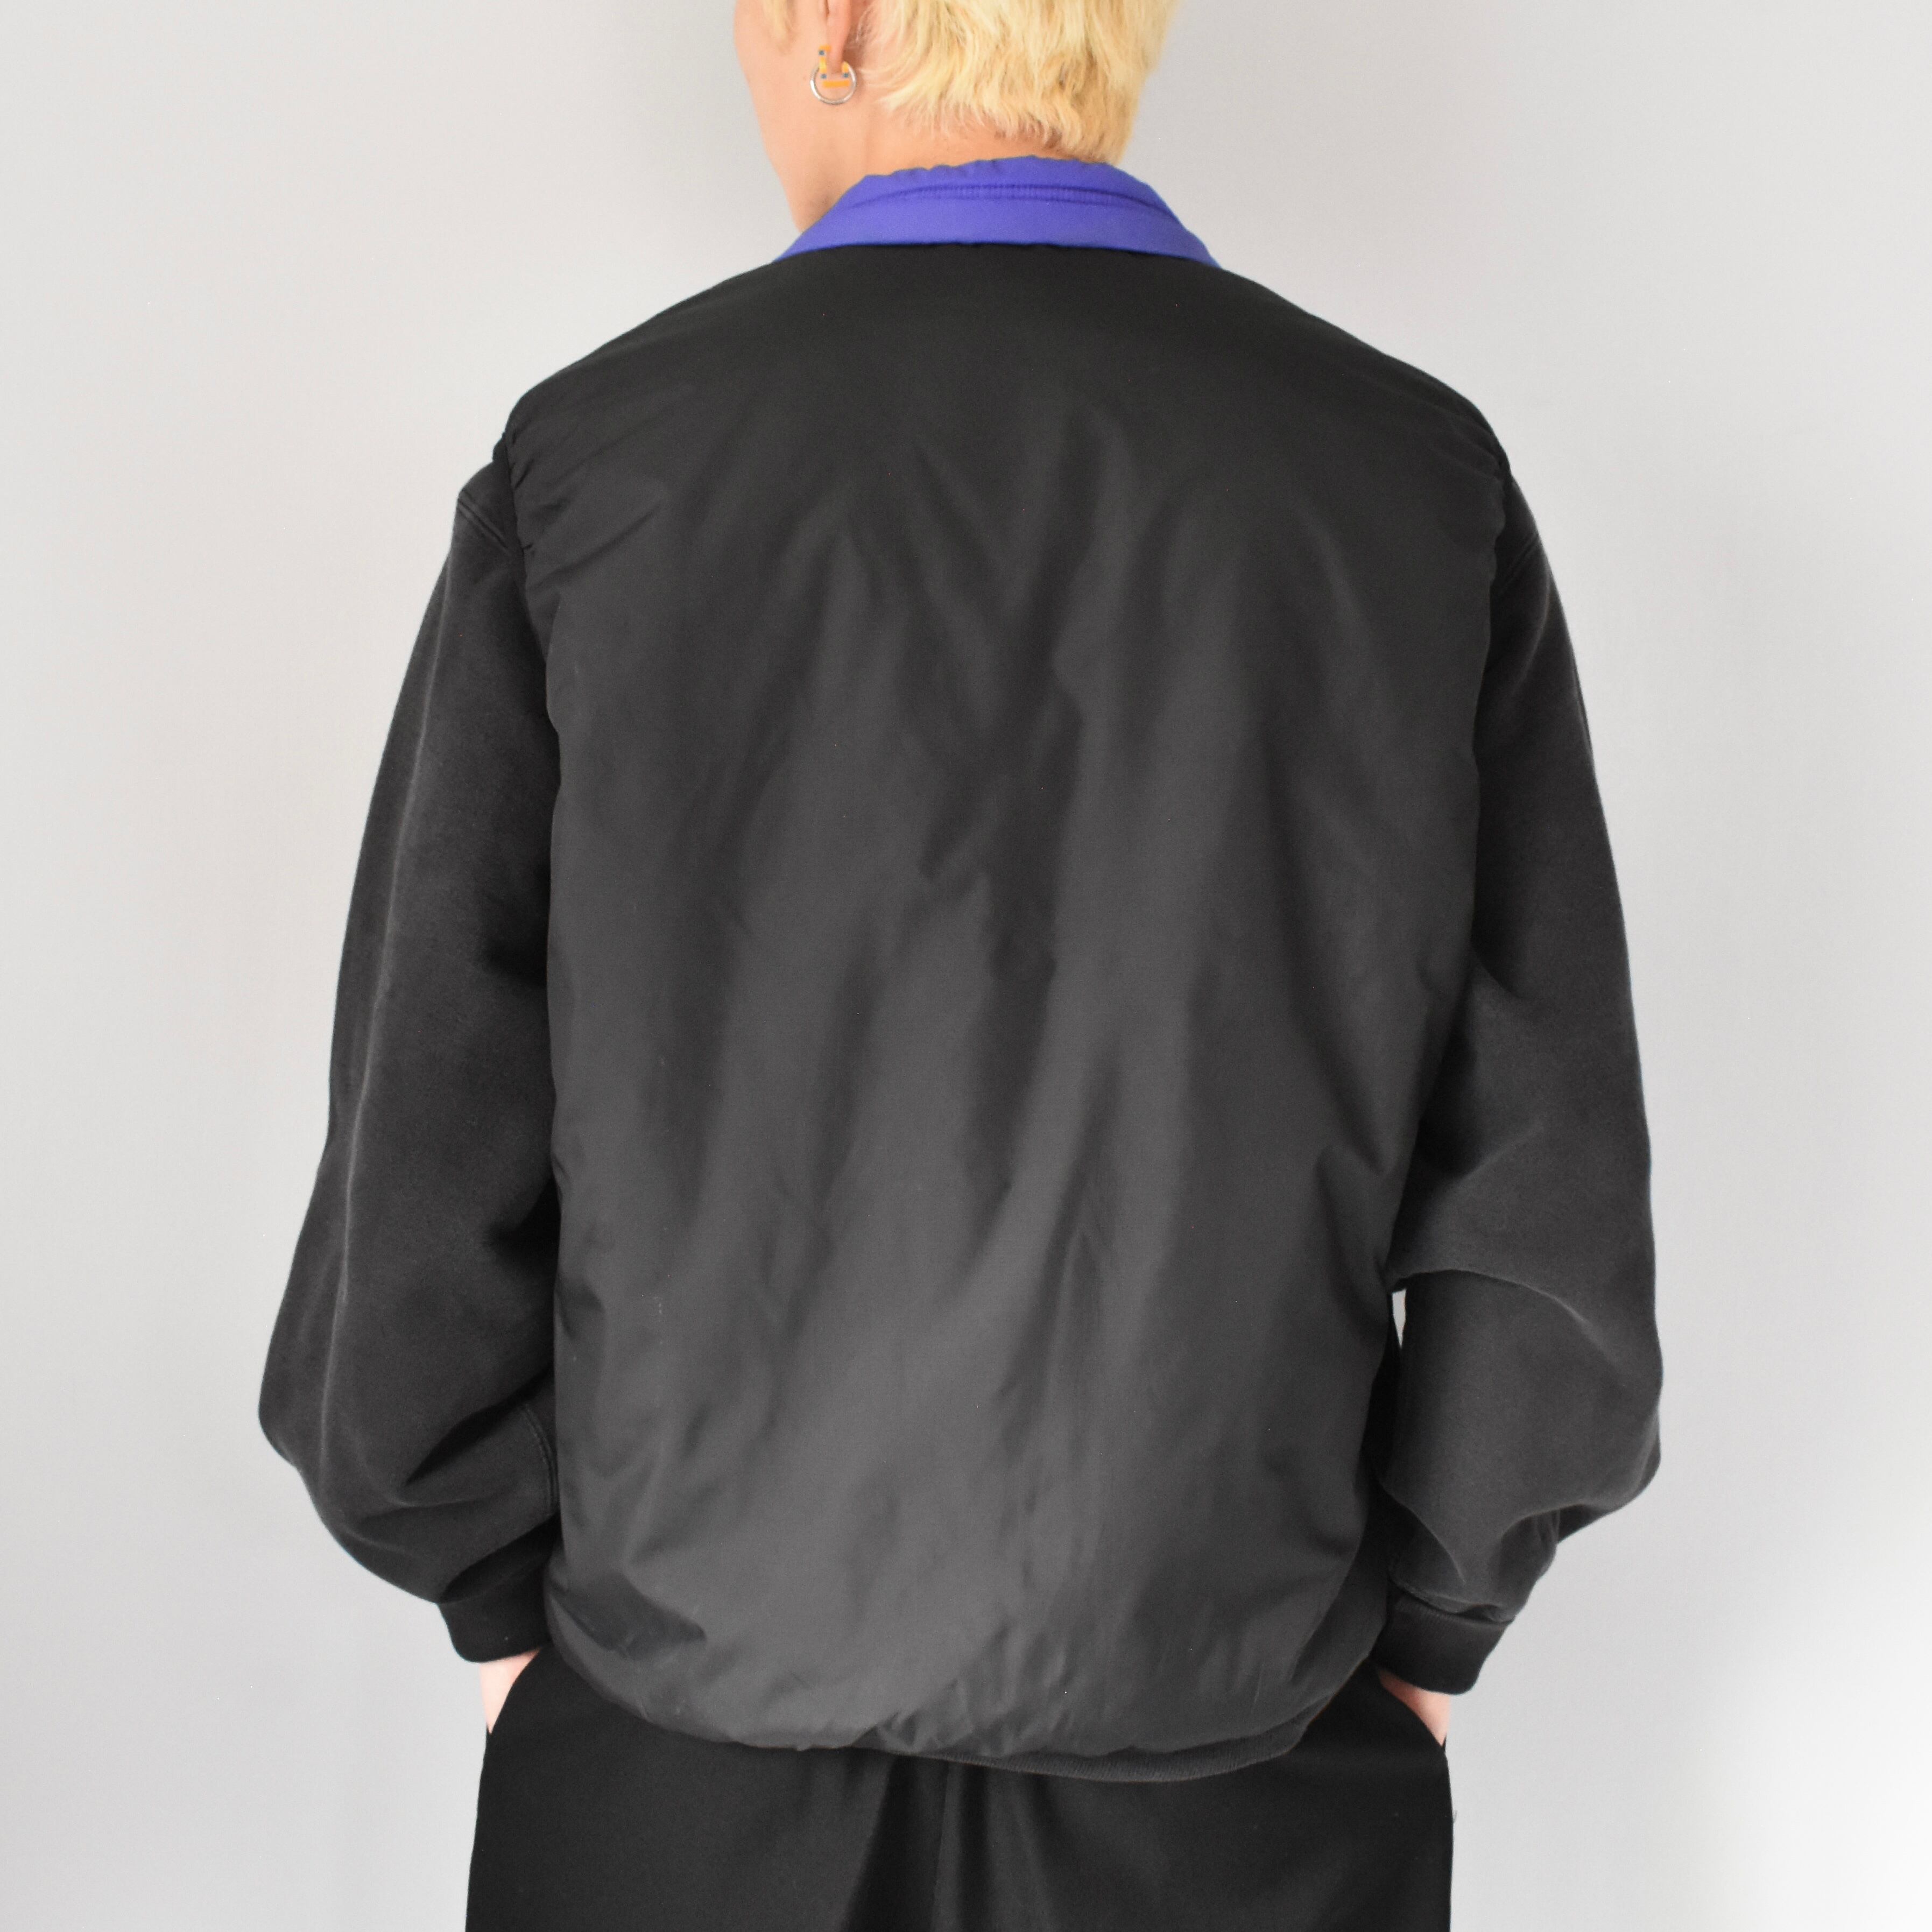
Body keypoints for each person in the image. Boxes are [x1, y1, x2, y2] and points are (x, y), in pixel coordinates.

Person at [260, 0, 1663, 1924]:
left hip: (681, 1763)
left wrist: (495, 1596)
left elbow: (428, 1123)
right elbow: (1544, 1170)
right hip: (1240, 1764)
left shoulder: (593, 470)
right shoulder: (1418, 484)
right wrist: (1430, 1627)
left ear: (834, 22)